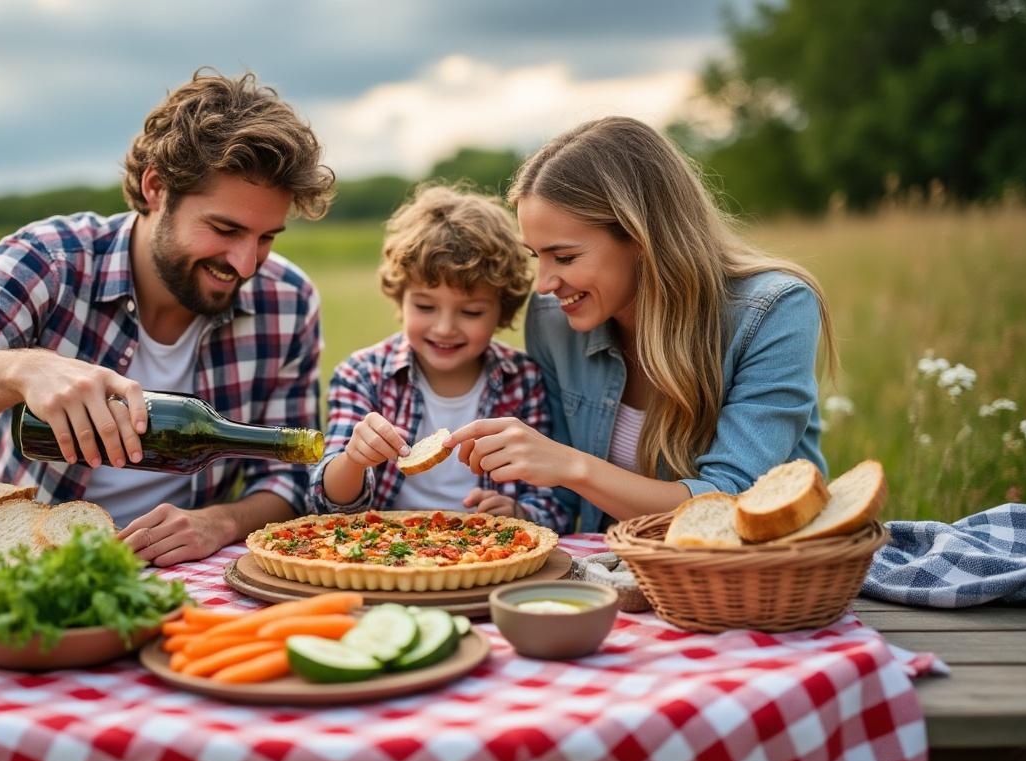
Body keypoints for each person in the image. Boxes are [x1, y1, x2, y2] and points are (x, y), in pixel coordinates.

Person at [0, 70, 335, 564]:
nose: (246, 263)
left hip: (181, 572)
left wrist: (221, 521)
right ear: (156, 188)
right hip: (16, 565)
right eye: (225, 229)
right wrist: (24, 370)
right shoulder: (52, 260)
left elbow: (288, 477)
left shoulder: (288, 300)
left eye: (267, 237)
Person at [448, 116, 836, 531]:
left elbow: (729, 506)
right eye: (534, 256)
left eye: (564, 258)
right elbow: (559, 497)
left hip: (750, 578)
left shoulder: (774, 310)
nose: (543, 284)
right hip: (620, 572)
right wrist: (523, 511)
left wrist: (572, 466)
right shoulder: (552, 319)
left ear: (642, 239)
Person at [309, 184, 565, 531]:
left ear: (501, 312)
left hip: (483, 552)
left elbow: (552, 503)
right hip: (387, 552)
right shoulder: (362, 375)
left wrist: (519, 513)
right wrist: (353, 460)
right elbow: (328, 505)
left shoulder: (524, 381)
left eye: (471, 312)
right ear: (400, 297)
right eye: (425, 307)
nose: (445, 328)